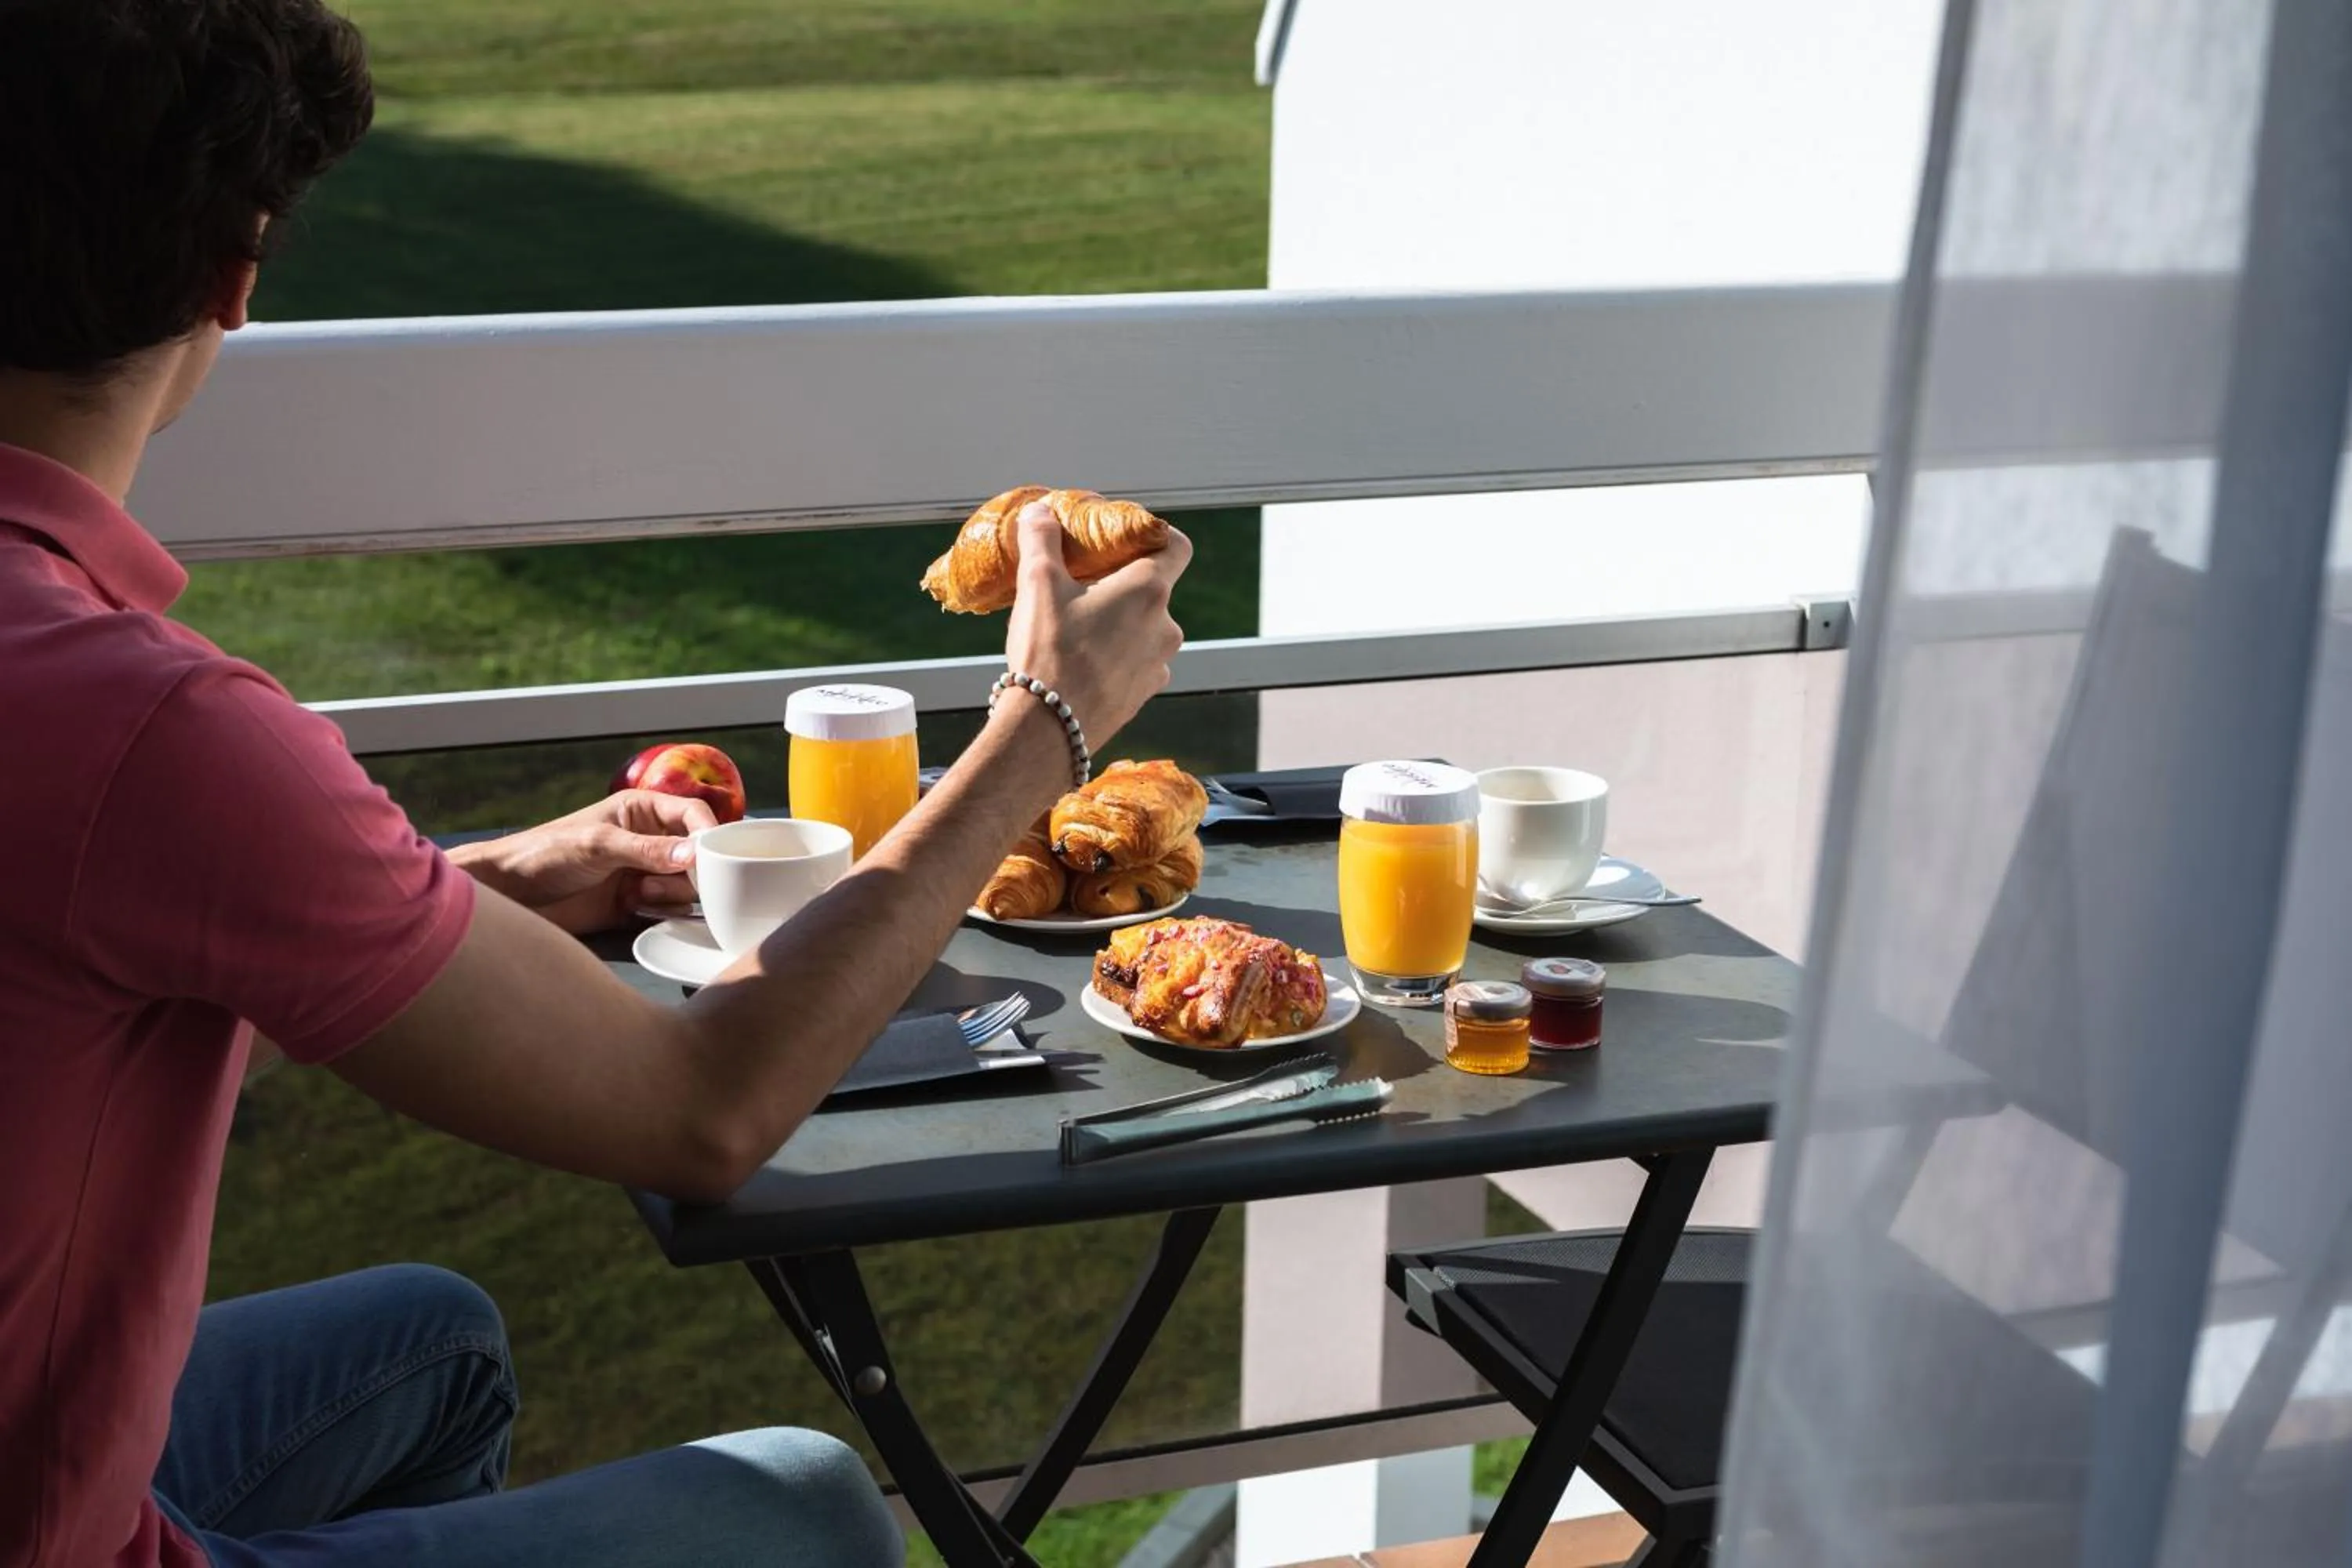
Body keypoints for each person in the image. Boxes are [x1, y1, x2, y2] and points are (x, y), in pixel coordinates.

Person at [0, 2, 1191, 1565]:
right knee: (807, 1506)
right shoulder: (148, 725)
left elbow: (87, 936)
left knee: (432, 1343)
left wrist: (477, 885)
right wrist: (1045, 722)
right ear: (238, 270)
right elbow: (699, 1113)